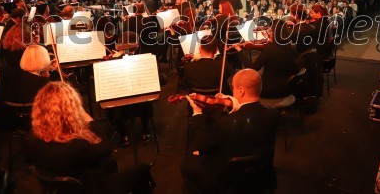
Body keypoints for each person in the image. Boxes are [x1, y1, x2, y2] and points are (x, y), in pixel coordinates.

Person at [26, 81, 155, 194]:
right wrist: (89, 120)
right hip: (89, 189)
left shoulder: (32, 137)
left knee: (110, 164)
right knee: (142, 169)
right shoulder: (77, 147)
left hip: (62, 182)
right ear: (70, 112)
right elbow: (106, 148)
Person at [181, 69, 279, 194]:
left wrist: (197, 114)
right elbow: (249, 118)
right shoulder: (274, 114)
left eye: (233, 88)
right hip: (262, 172)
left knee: (186, 166)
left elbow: (202, 145)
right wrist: (235, 105)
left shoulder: (224, 123)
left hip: (229, 179)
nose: (232, 92)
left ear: (241, 91)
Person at [234, 19, 298, 98]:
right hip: (287, 86)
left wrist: (239, 51)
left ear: (276, 32)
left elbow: (252, 68)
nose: (269, 33)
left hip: (270, 90)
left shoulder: (269, 49)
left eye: (271, 31)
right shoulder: (292, 45)